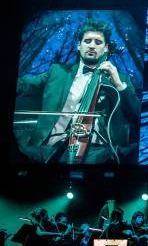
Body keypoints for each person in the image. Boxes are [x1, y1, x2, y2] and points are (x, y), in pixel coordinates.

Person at [14, 18, 141, 164]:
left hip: (97, 152)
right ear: (79, 46)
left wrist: (118, 84)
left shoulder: (119, 79)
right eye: (87, 41)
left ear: (106, 48)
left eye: (98, 42)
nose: (92, 46)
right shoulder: (57, 72)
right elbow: (23, 84)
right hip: (48, 148)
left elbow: (136, 113)